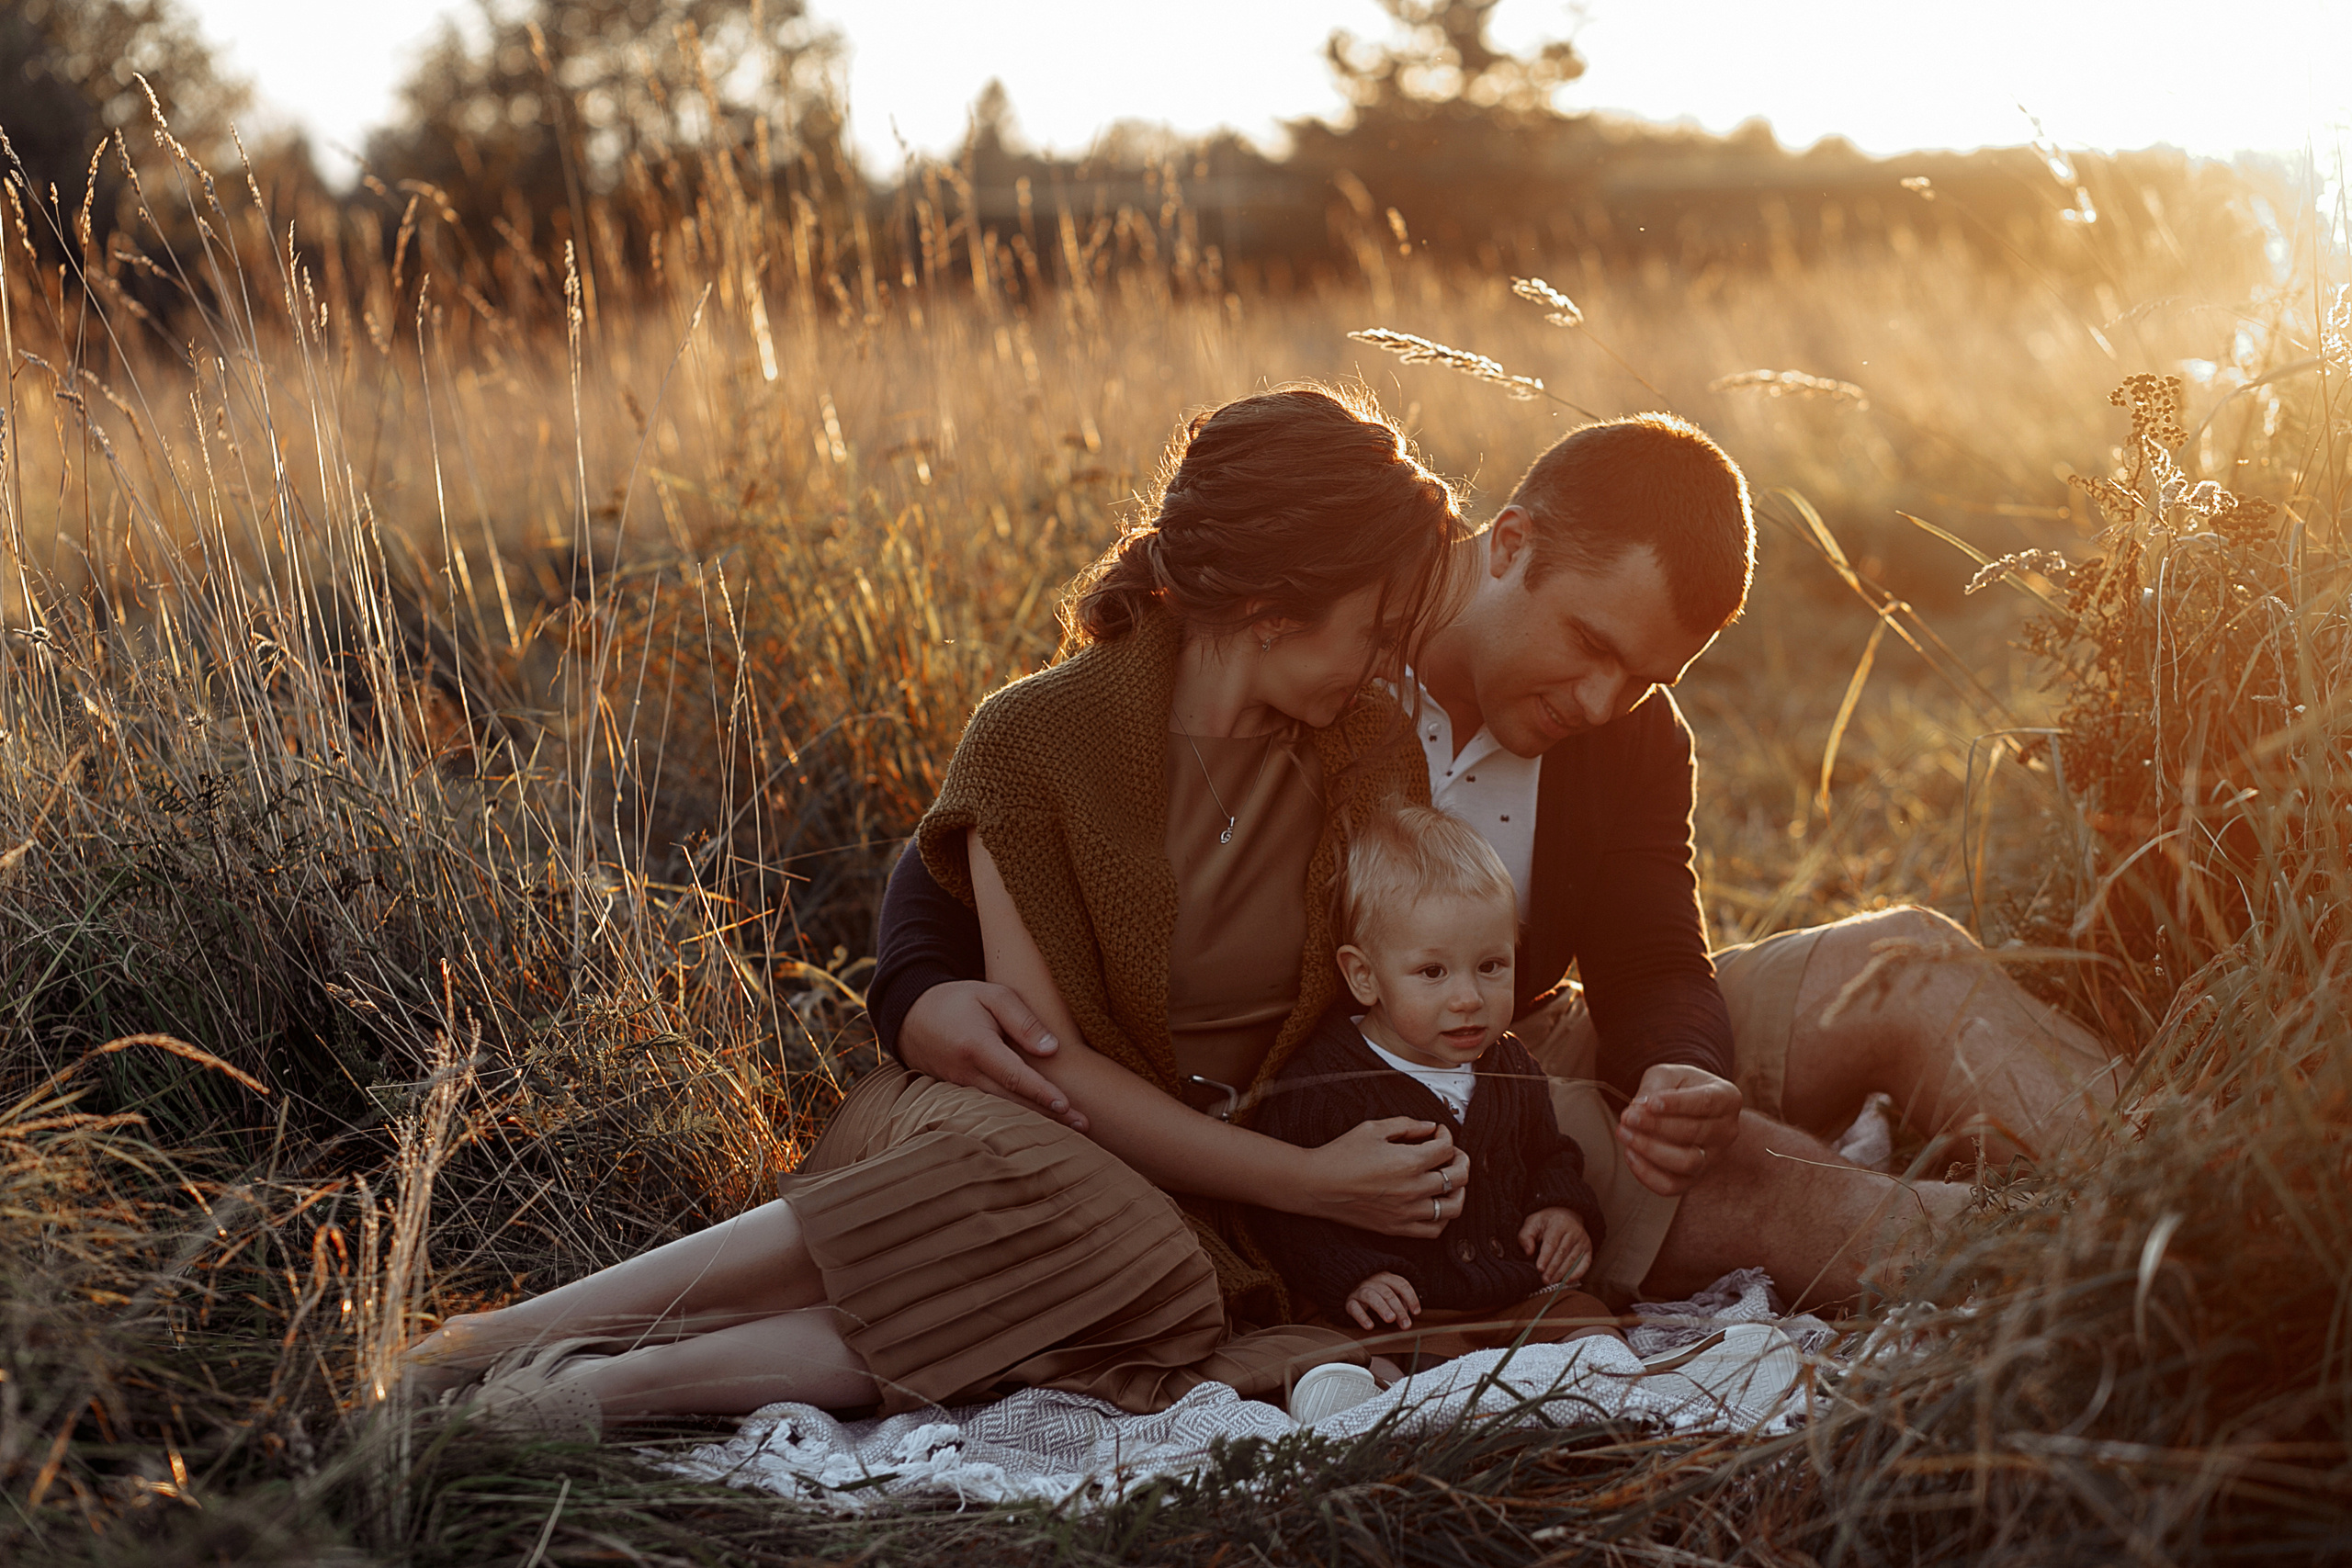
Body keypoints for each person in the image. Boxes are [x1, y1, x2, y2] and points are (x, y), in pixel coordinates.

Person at [399, 383, 1482, 1436]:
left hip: (1180, 1199)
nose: (1388, 662)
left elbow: (1394, 968)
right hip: (1009, 1124)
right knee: (1066, 1198)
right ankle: (490, 1342)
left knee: (1132, 1275)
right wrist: (1309, 1184)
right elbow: (1044, 1068)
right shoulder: (1036, 743)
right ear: (1266, 606)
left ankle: (578, 1396)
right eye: (1374, 628)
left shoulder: (1363, 752)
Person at [872, 412, 2124, 1314]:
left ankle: (2220, 1181)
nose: (1603, 695)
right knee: (1753, 1177)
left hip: (1526, 1036)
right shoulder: (1337, 638)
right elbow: (1030, 808)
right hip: (1379, 1101)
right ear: (1511, 540)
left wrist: (1680, 1066)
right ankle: (2120, 1275)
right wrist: (918, 983)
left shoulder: (1629, 733)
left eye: (1644, 674)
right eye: (1589, 642)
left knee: (1906, 957)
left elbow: (1650, 944)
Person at [1250, 803, 1621, 1365]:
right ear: (1365, 976)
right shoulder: (1324, 1084)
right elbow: (1288, 1216)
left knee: (1586, 1318)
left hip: (1511, 1294)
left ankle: (1609, 1383)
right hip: (1404, 1308)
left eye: (1492, 965)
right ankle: (1388, 1398)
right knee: (1394, 1357)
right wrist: (1353, 1276)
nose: (1468, 997)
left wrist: (1562, 1210)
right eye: (1432, 972)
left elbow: (1548, 1155)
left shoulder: (1511, 1066)